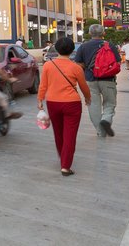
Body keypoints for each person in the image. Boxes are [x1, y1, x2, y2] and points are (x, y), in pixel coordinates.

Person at [38, 37, 92, 177]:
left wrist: (40, 100)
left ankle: (63, 158)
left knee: (58, 133)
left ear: (56, 49)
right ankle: (65, 166)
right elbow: (84, 86)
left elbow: (43, 85)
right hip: (72, 104)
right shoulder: (76, 68)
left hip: (53, 103)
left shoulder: (48, 65)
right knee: (70, 135)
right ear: (72, 50)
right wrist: (88, 98)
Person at [74, 23, 120, 138]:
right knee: (110, 103)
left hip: (90, 80)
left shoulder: (83, 46)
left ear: (90, 33)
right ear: (103, 33)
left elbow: (78, 63)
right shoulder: (110, 45)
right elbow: (118, 62)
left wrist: (88, 68)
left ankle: (100, 131)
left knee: (93, 105)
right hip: (108, 79)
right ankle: (106, 119)